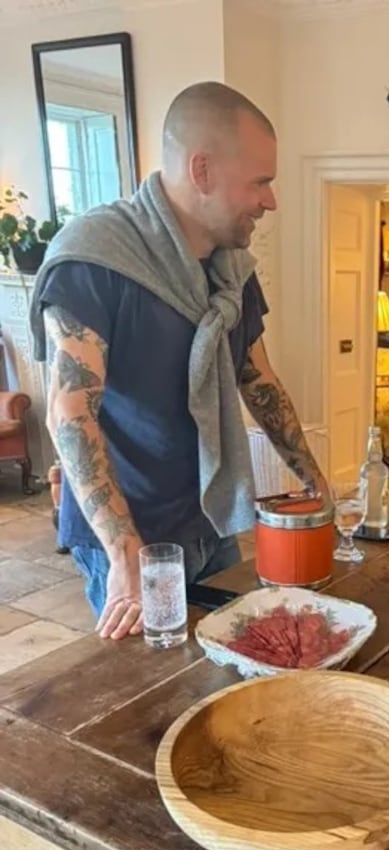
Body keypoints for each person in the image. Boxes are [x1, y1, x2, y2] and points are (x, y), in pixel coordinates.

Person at [31, 82, 328, 641]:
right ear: (203, 170)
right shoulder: (96, 257)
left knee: (223, 666)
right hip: (130, 532)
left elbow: (258, 379)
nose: (271, 201)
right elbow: (70, 414)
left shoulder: (232, 268)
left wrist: (318, 483)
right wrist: (125, 555)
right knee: (151, 698)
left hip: (208, 515)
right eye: (261, 182)